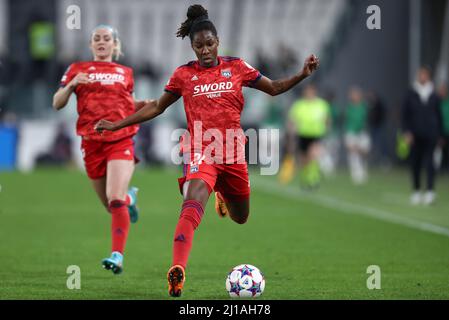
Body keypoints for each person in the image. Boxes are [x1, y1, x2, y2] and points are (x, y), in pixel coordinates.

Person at [95, 5, 319, 297]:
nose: (204, 50)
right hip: (201, 151)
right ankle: (178, 270)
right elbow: (156, 107)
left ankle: (223, 196)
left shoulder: (237, 67)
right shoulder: (184, 75)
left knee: (241, 217)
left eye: (209, 44)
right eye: (198, 46)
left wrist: (302, 74)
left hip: (234, 155)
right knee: (193, 198)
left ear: (218, 42)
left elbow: (274, 88)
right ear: (192, 46)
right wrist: (116, 125)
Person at [52, 25, 149, 274]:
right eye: (97, 39)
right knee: (110, 205)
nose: (102, 42)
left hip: (120, 139)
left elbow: (127, 104)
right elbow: (57, 103)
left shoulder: (125, 72)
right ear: (91, 44)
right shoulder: (77, 69)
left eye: (107, 38)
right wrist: (72, 84)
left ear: (115, 44)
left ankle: (117, 255)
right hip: (91, 143)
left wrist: (143, 105)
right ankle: (131, 198)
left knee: (115, 199)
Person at [402, 67, 443, 205]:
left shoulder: (434, 94)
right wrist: (407, 131)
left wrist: (440, 134)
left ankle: (430, 191)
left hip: (431, 134)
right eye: (421, 75)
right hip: (415, 134)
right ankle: (416, 190)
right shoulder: (411, 93)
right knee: (416, 163)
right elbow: (405, 115)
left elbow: (439, 115)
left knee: (430, 163)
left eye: (425, 75)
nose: (423, 77)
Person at [287, 84, 330, 188]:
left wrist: (327, 130)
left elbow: (327, 119)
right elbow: (292, 120)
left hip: (316, 134)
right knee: (303, 159)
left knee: (313, 155)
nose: (309, 94)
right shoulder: (299, 105)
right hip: (302, 134)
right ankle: (305, 177)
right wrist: (292, 133)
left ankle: (313, 179)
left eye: (311, 91)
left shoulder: (321, 104)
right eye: (307, 91)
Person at [344, 86, 371, 184]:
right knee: (353, 152)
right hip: (351, 132)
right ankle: (356, 173)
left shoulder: (364, 106)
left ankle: (363, 169)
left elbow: (366, 119)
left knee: (364, 152)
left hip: (362, 132)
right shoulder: (349, 107)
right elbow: (347, 121)